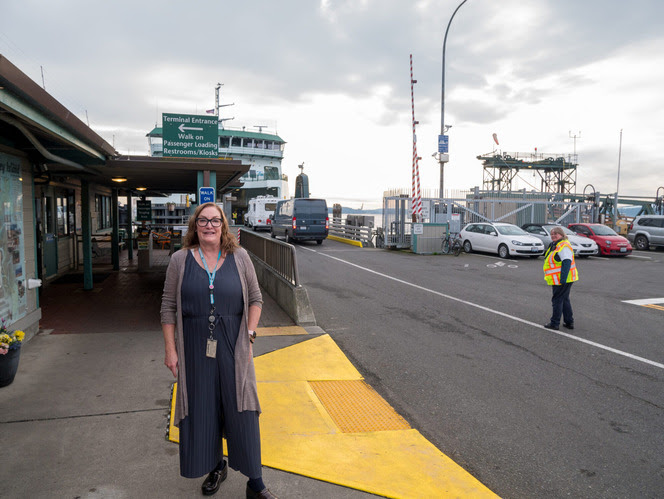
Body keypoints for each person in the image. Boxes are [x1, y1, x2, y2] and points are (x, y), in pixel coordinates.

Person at [160, 202, 277, 499]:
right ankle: (216, 467)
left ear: (223, 226)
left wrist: (249, 335)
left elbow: (255, 298)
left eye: (215, 220)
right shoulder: (180, 260)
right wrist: (170, 350)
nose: (209, 225)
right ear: (194, 226)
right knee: (203, 409)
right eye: (203, 221)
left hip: (234, 345)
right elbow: (168, 308)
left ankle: (256, 483)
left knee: (243, 410)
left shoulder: (239, 257)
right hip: (194, 347)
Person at [542, 226, 579, 330]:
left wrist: (562, 279)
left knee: (557, 300)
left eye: (556, 234)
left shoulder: (563, 246)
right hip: (561, 278)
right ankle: (569, 322)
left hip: (562, 279)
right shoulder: (555, 245)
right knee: (564, 299)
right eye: (552, 234)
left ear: (561, 235)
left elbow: (566, 263)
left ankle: (554, 323)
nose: (553, 236)